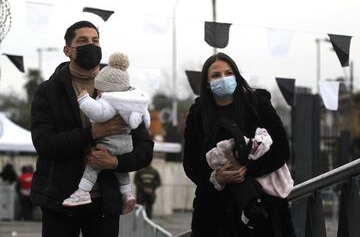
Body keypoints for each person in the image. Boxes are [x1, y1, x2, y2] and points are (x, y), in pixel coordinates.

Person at [30, 20, 153, 237]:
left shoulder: (123, 90)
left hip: (104, 203)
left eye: (95, 40)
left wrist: (115, 162)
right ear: (68, 50)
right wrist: (92, 133)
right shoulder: (48, 91)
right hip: (58, 200)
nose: (91, 45)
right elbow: (44, 144)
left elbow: (145, 148)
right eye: (83, 41)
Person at [182, 52, 296, 237]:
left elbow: (281, 150)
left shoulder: (258, 103)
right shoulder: (198, 113)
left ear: (236, 75)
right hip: (214, 214)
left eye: (228, 73)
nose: (224, 79)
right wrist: (216, 178)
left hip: (261, 210)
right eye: (216, 75)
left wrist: (247, 169)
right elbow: (191, 164)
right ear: (206, 83)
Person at [62, 52, 151, 216]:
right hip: (126, 146)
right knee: (122, 172)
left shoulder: (109, 100)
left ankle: (82, 192)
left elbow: (99, 113)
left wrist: (84, 100)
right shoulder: (132, 102)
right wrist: (117, 162)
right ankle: (127, 194)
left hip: (109, 147)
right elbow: (145, 121)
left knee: (93, 165)